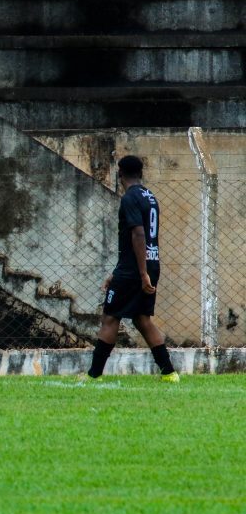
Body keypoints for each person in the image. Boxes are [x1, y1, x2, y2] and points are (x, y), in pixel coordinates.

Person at [84, 155, 179, 382]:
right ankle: (169, 373)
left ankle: (93, 375)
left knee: (110, 317)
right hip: (149, 264)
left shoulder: (129, 198)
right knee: (141, 318)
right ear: (141, 173)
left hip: (136, 269)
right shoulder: (150, 197)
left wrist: (141, 273)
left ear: (120, 174)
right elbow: (136, 240)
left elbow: (138, 234)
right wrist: (118, 273)